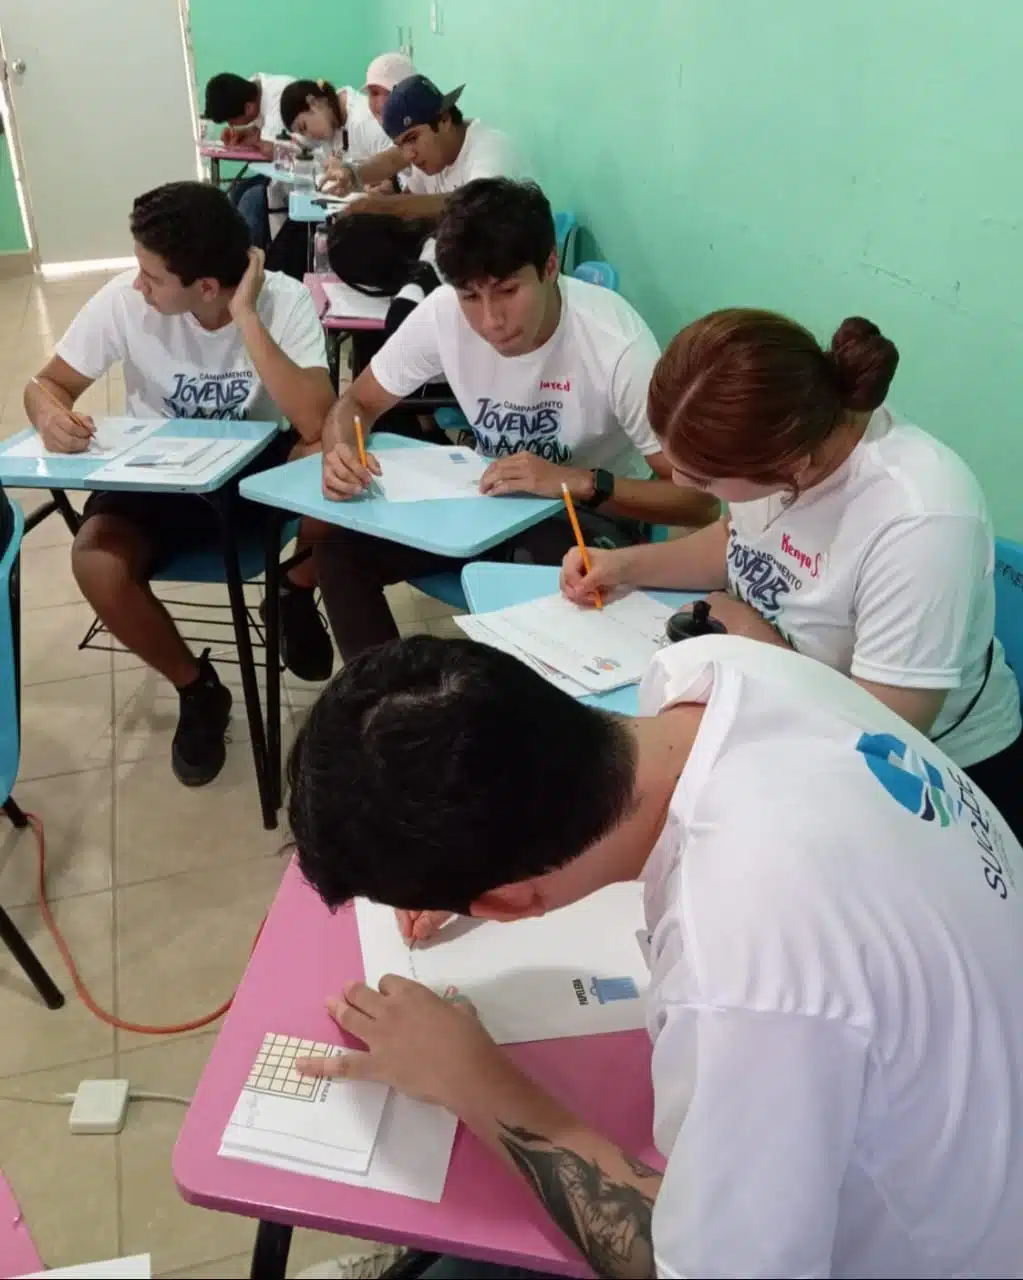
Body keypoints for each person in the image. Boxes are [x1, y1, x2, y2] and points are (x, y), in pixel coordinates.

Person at [288, 631, 1023, 1279]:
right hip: (957, 1103)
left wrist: (471, 1080)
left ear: (510, 902)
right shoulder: (713, 671)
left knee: (495, 1209)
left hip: (938, 1250)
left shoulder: (744, 969)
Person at [562, 309, 1023, 835]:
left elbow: (885, 736)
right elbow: (740, 543)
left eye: (707, 482)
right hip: (786, 705)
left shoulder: (921, 521)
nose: (684, 483)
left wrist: (745, 633)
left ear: (792, 467)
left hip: (935, 783)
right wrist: (622, 565)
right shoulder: (788, 438)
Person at [314, 178, 718, 661]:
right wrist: (340, 451)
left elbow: (698, 502)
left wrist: (579, 482)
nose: (490, 321)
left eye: (507, 291)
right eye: (469, 297)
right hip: (487, 504)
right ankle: (386, 707)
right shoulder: (442, 314)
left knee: (548, 574)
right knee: (336, 546)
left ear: (550, 266)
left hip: (584, 517)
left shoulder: (615, 344)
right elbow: (354, 404)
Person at [23, 182, 335, 788]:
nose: (138, 283)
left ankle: (292, 591)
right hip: (155, 474)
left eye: (152, 276)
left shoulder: (284, 302)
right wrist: (48, 413)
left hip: (251, 472)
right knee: (95, 562)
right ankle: (198, 689)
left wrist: (245, 318)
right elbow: (46, 383)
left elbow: (315, 421)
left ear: (209, 288)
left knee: (332, 454)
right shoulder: (124, 301)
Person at [324, 75, 529, 218]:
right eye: (401, 144)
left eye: (412, 138)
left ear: (444, 119)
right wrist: (353, 176)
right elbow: (397, 168)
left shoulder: (490, 148)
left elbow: (472, 206)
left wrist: (381, 206)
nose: (409, 155)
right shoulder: (431, 158)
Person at [203, 72, 293, 246]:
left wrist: (252, 138)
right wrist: (246, 133)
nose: (231, 126)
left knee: (251, 199)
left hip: (300, 174)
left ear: (248, 108)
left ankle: (252, 262)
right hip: (281, 172)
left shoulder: (278, 102)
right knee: (237, 190)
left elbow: (272, 150)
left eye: (231, 120)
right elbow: (262, 135)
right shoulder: (253, 89)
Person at [279, 78, 393, 166]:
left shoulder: (365, 120)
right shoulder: (330, 118)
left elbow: (399, 164)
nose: (309, 136)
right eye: (303, 134)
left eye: (304, 127)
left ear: (313, 102)